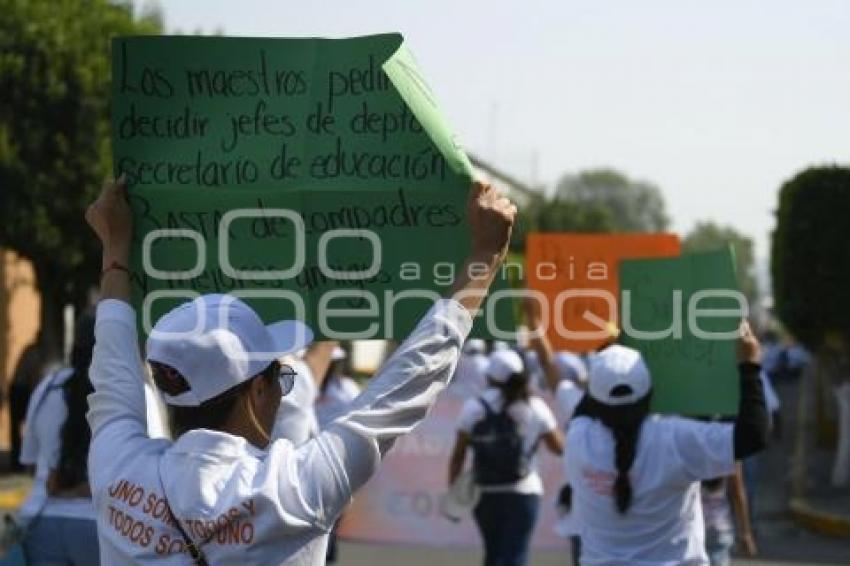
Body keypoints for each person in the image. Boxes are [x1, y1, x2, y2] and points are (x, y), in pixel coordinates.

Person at [84, 177, 516, 564]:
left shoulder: (118, 468)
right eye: (279, 377)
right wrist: (485, 255)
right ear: (255, 390)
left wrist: (115, 247)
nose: (281, 392)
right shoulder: (294, 488)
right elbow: (411, 379)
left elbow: (113, 365)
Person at [564, 324, 768, 565]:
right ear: (650, 389)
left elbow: (594, 399)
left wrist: (614, 348)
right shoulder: (674, 438)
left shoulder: (578, 437)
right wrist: (750, 367)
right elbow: (752, 436)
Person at [448, 349, 564, 566]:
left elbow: (458, 456)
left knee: (493, 555)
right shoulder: (534, 406)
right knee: (515, 557)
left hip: (485, 493)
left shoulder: (474, 408)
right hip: (524, 492)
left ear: (490, 376)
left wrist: (454, 497)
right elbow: (559, 448)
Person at [17, 314, 100, 564]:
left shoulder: (47, 388)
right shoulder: (132, 393)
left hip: (43, 522)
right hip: (101, 525)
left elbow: (29, 460)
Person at [701, 464, 756, 566]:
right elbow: (737, 493)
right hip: (719, 525)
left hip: (695, 526)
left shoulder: (689, 451)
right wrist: (745, 533)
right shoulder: (728, 455)